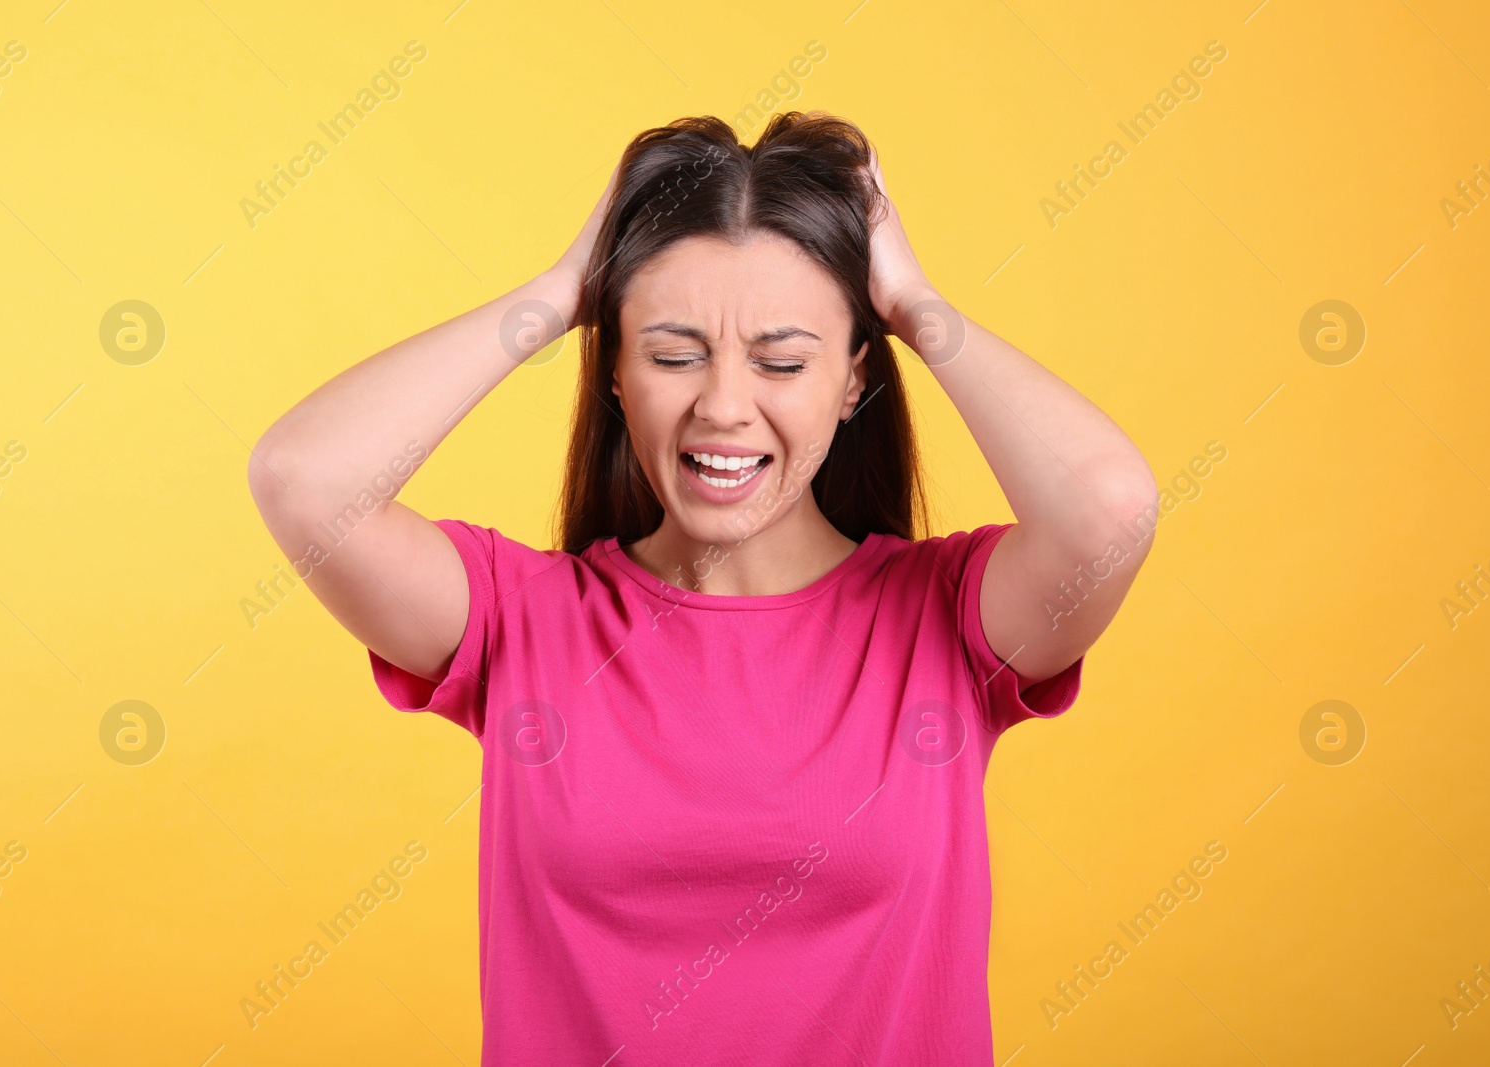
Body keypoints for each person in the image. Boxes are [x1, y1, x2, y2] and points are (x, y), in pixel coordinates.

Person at [248, 110, 1158, 1066]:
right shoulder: (524, 620)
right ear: (614, 375)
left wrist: (914, 305)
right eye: (674, 354)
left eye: (783, 361)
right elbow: (305, 481)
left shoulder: (945, 620)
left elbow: (1109, 509)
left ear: (854, 380)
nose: (723, 406)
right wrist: (560, 292)